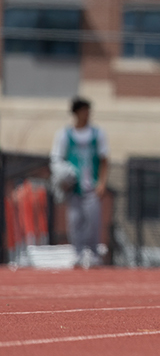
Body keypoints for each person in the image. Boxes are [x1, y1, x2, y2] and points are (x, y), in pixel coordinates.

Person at [50, 97, 109, 267]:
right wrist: (63, 176)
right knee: (75, 222)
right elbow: (56, 159)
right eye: (84, 111)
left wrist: (102, 183)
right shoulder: (64, 135)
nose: (87, 115)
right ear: (76, 113)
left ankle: (94, 254)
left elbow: (104, 159)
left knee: (93, 222)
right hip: (73, 188)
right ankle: (77, 253)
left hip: (92, 186)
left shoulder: (97, 134)